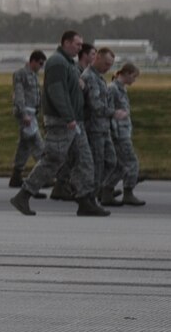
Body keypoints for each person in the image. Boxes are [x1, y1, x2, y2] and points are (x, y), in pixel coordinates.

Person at [12, 30, 106, 216]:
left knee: (84, 160)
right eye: (77, 44)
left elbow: (68, 88)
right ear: (66, 43)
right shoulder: (57, 62)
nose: (80, 48)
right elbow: (57, 92)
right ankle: (23, 195)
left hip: (74, 121)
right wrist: (68, 117)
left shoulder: (68, 63)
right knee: (53, 160)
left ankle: (85, 200)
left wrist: (79, 85)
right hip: (63, 121)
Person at [104, 62, 144, 207]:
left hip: (123, 131)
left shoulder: (121, 89)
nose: (134, 80)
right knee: (131, 163)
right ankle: (128, 192)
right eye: (133, 76)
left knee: (120, 166)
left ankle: (106, 191)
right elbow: (107, 110)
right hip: (118, 133)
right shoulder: (112, 89)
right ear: (126, 74)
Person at [83, 47, 119, 204]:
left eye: (110, 65)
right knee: (97, 165)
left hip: (103, 128)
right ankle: (90, 197)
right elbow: (95, 105)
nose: (108, 68)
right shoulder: (89, 77)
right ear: (96, 58)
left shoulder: (99, 77)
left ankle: (95, 191)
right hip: (94, 128)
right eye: (106, 64)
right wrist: (113, 112)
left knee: (111, 161)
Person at [8, 52, 44, 189]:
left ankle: (16, 175)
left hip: (32, 113)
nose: (41, 66)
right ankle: (42, 176)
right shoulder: (21, 74)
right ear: (33, 61)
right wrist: (23, 114)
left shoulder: (34, 75)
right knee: (39, 146)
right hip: (26, 114)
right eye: (40, 63)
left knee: (25, 145)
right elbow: (19, 94)